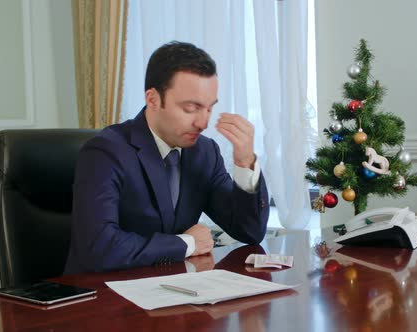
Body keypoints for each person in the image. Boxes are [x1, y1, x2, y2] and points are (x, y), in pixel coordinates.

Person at [64, 41, 270, 274]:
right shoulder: (105, 152)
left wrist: (245, 163)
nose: (203, 123)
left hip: (172, 292)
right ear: (153, 99)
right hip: (101, 297)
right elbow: (99, 248)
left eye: (209, 108)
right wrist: (186, 243)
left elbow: (249, 231)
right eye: (191, 108)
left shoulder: (205, 152)